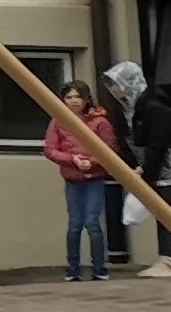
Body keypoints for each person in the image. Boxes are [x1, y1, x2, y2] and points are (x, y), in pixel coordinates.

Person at [48, 81, 121, 281]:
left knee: (92, 223)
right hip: (72, 180)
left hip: (94, 179)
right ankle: (73, 270)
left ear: (86, 98)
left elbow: (110, 149)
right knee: (75, 224)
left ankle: (99, 269)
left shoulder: (100, 122)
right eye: (69, 97)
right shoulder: (58, 121)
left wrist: (92, 162)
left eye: (78, 96)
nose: (74, 101)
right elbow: (50, 149)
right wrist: (72, 159)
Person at [117, 62, 171, 272]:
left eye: (118, 84)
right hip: (149, 168)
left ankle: (169, 260)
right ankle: (165, 258)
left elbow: (158, 144)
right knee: (160, 213)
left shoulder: (154, 108)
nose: (115, 89)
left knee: (168, 214)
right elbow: (128, 143)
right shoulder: (128, 109)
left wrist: (147, 172)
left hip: (167, 169)